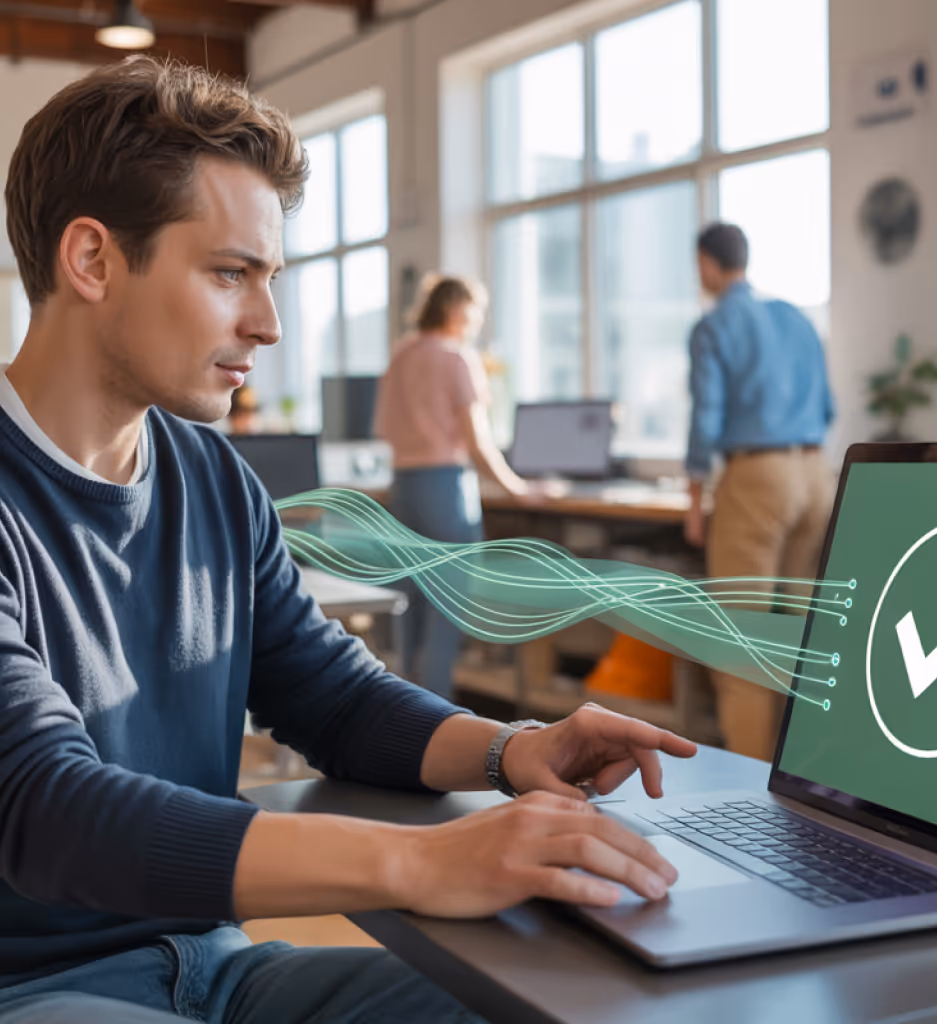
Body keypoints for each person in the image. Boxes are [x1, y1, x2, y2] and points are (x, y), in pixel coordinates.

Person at [0, 56, 697, 1023]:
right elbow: (46, 808)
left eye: (270, 277)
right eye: (229, 273)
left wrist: (513, 750)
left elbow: (329, 696)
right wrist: (416, 862)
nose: (270, 322)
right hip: (36, 991)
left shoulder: (213, 481)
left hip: (219, 964)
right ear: (92, 260)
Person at [684, 222, 835, 762]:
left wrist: (695, 499)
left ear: (707, 263)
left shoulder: (715, 325)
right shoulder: (796, 318)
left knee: (743, 640)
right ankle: (806, 774)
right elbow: (827, 409)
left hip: (757, 480)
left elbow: (707, 417)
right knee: (799, 633)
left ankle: (751, 792)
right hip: (816, 475)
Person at [374, 274, 535, 699]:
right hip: (445, 488)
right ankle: (438, 719)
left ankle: (402, 713)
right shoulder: (457, 358)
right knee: (446, 611)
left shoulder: (401, 355)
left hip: (403, 487)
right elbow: (478, 443)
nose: (478, 321)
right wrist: (519, 489)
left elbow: (383, 428)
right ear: (456, 310)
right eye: (476, 311)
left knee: (408, 608)